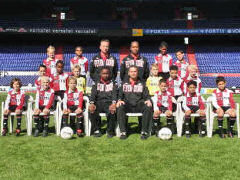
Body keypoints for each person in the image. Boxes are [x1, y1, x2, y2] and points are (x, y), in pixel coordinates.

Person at [117, 65, 152, 140]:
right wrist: (119, 100)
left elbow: (146, 94)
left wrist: (148, 100)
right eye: (131, 71)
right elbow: (120, 94)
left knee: (148, 106)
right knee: (120, 106)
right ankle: (123, 132)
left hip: (139, 104)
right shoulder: (124, 83)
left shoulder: (142, 83)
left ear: (137, 72)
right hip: (128, 104)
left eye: (135, 71)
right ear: (128, 73)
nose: (133, 73)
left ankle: (144, 132)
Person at [89, 67, 118, 138]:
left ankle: (110, 130)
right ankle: (96, 130)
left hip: (109, 103)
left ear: (110, 74)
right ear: (100, 74)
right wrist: (92, 103)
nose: (106, 75)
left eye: (107, 73)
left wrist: (114, 103)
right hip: (98, 102)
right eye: (104, 73)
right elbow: (93, 94)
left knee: (112, 111)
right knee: (92, 110)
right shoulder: (96, 83)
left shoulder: (114, 83)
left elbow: (115, 94)